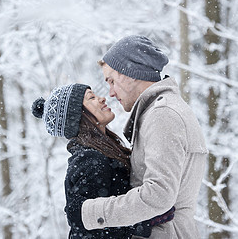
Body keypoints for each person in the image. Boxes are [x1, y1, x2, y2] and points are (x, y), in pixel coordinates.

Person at [81, 35, 208, 238]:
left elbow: (158, 195)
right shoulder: (163, 110)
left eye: (112, 81)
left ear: (131, 73)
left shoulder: (162, 114)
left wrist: (90, 212)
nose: (111, 92)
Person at [31, 83, 175, 238]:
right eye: (91, 98)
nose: (102, 99)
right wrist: (147, 220)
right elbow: (91, 227)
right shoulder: (90, 160)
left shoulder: (103, 152)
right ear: (78, 115)